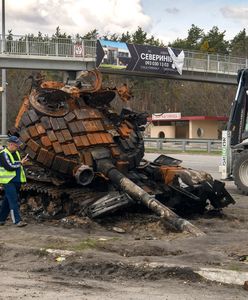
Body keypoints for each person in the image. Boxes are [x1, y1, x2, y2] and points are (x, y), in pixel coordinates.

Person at [0, 136, 29, 227]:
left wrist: (20, 163)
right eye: (16, 145)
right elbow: (9, 166)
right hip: (8, 181)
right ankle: (17, 221)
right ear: (10, 144)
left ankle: (1, 219)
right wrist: (21, 163)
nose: (18, 147)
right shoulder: (3, 154)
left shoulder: (16, 152)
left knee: (7, 201)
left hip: (16, 181)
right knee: (13, 200)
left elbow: (16, 165)